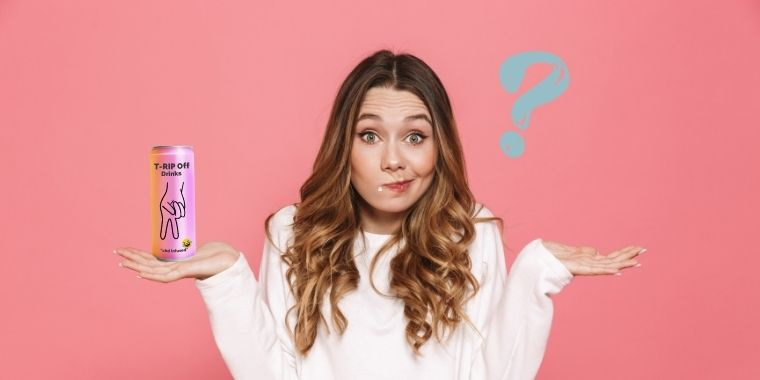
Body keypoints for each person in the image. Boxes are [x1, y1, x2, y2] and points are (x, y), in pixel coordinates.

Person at [115, 49, 645, 380]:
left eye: (415, 136)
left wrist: (535, 273)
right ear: (343, 145)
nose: (394, 159)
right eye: (370, 136)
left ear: (441, 148)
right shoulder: (292, 232)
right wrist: (229, 278)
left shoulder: (470, 234)